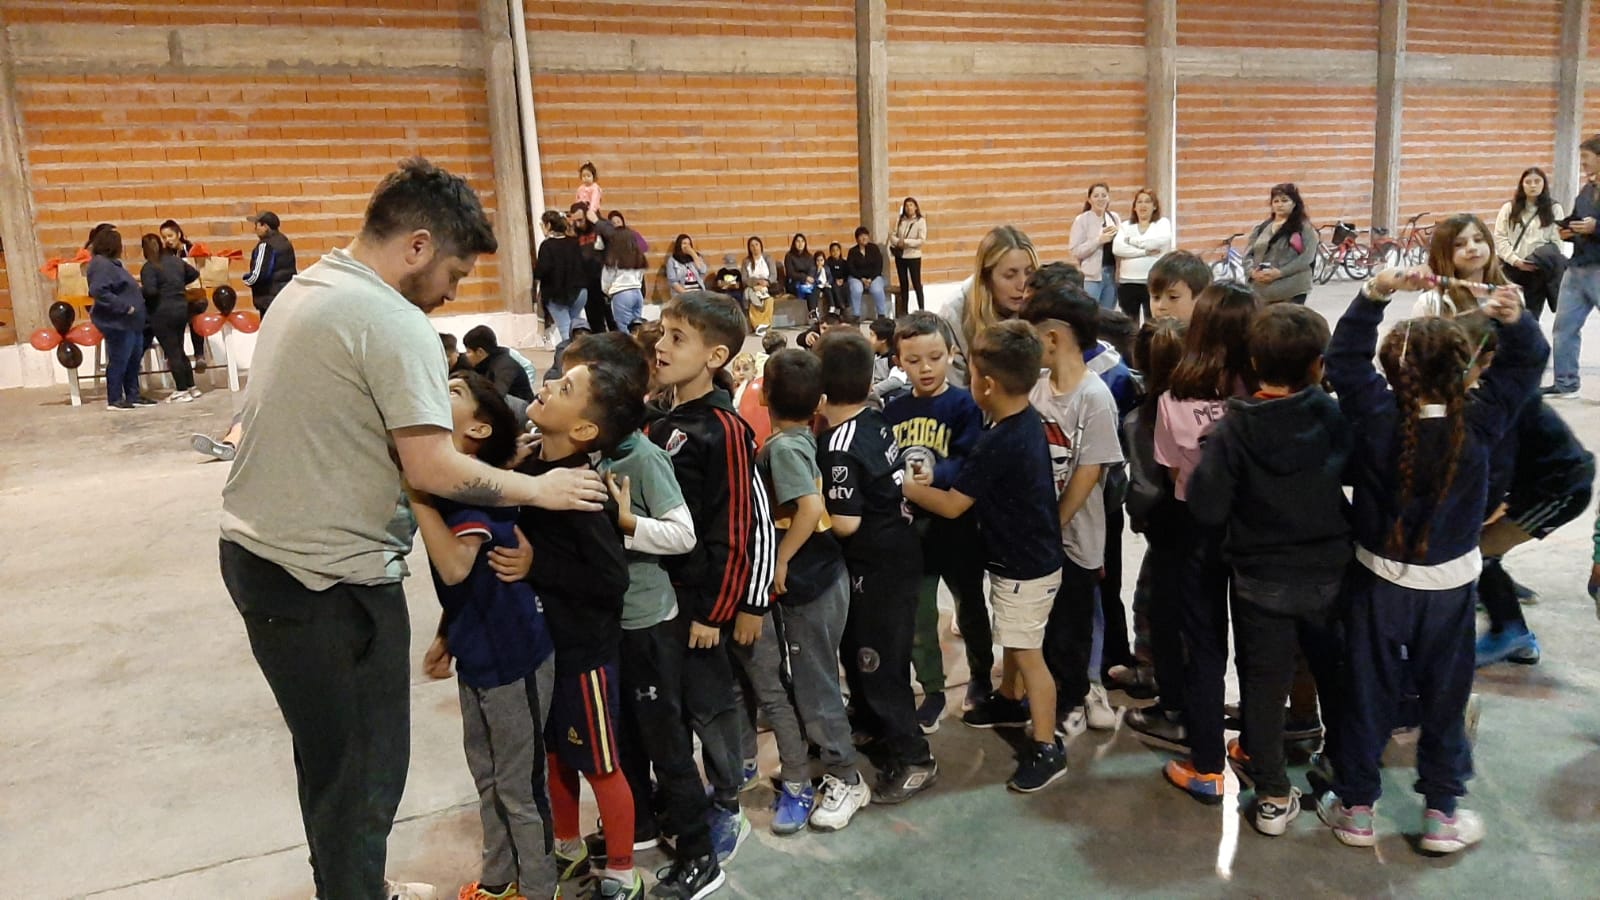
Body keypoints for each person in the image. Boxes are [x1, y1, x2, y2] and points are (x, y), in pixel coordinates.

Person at [218, 158, 607, 900]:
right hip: (321, 580)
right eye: (455, 273)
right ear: (419, 245)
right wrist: (540, 489)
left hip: (266, 560)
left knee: (331, 764)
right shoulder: (390, 321)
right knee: (363, 770)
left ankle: (353, 884)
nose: (452, 294)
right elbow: (432, 466)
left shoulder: (309, 287)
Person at [1319, 266, 1544, 855]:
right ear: (1466, 370)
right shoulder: (1483, 421)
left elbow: (1344, 360)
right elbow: (1525, 366)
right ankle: (1442, 815)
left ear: (1396, 370)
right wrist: (1516, 320)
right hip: (1450, 592)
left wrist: (1375, 293)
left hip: (1377, 585)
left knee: (1367, 694)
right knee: (1445, 702)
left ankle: (1356, 809)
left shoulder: (1376, 417)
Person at [555, 335, 715, 889]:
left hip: (648, 623)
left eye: (571, 384)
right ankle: (640, 825)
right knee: (624, 737)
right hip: (611, 625)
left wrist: (628, 525)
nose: (555, 389)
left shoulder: (644, 459)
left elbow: (682, 534)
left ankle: (699, 851)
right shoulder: (592, 453)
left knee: (666, 741)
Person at [1186, 304, 1351, 836]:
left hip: (1260, 579)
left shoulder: (1234, 429)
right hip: (1328, 571)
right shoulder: (1329, 414)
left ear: (1254, 362)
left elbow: (1207, 507)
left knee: (1263, 684)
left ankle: (1273, 797)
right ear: (1319, 365)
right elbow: (1356, 467)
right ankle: (1342, 771)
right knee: (1333, 675)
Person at [410, 372, 558, 900]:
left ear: (477, 429)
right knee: (488, 777)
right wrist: (447, 633)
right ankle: (499, 881)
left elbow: (455, 567)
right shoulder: (457, 489)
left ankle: (539, 887)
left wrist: (414, 491)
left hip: (514, 659)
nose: (438, 392)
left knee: (520, 786)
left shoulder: (473, 495)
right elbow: (469, 585)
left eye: (453, 392)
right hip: (477, 654)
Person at [904, 321, 1067, 792]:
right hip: (1024, 560)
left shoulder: (999, 441)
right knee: (1015, 639)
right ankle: (1009, 700)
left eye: (971, 374)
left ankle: (1046, 745)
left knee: (1029, 654)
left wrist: (909, 487)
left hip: (1025, 568)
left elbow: (954, 504)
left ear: (987, 385)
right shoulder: (1022, 420)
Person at [645, 290, 775, 874]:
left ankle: (727, 804)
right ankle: (684, 798)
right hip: (659, 598)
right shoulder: (662, 419)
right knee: (668, 705)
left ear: (716, 356)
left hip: (700, 604)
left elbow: (736, 527)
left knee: (711, 707)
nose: (661, 346)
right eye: (662, 333)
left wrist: (717, 611)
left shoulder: (723, 429)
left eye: (678, 338)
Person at [514, 358, 642, 900]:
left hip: (584, 654)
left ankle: (622, 872)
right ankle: (566, 844)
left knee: (601, 765)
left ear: (585, 430)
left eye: (565, 388)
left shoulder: (584, 491)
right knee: (555, 755)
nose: (547, 386)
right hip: (545, 647)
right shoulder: (529, 466)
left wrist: (535, 565)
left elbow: (612, 579)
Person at [747, 348, 871, 833]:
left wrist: (780, 558)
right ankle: (828, 755)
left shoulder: (782, 448)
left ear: (764, 395)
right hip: (824, 578)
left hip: (812, 583)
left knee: (817, 685)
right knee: (814, 680)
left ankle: (846, 776)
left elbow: (810, 507)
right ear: (819, 401)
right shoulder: (802, 438)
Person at [816, 330, 939, 803]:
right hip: (897, 555)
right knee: (861, 649)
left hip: (878, 567)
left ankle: (914, 758)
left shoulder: (838, 445)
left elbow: (846, 523)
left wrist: (808, 520)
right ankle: (871, 722)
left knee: (879, 661)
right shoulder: (874, 418)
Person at [1155, 284, 1260, 803]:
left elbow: (1171, 468)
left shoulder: (1173, 397)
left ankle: (1207, 765)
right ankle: (1257, 747)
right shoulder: (1266, 396)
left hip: (1195, 526)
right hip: (1257, 529)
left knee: (1205, 644)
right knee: (1259, 644)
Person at [1459, 313, 1595, 668]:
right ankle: (1497, 593)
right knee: (1479, 549)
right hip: (1538, 482)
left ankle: (1513, 633)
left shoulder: (1504, 400)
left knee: (1475, 552)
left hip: (1559, 490)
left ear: (1486, 358)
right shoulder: (1494, 387)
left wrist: (1475, 516)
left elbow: (1496, 473)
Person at [1020, 281, 1125, 736]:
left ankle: (1074, 699)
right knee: (1044, 624)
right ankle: (1052, 695)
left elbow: (1089, 470)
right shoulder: (1037, 389)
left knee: (1072, 625)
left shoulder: (1094, 396)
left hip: (1076, 539)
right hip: (1040, 536)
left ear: (1052, 337)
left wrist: (1055, 523)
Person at [883, 312, 988, 724]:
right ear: (898, 362)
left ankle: (981, 677)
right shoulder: (894, 410)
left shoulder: (965, 404)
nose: (925, 368)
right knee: (920, 617)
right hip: (914, 534)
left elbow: (971, 459)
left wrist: (937, 474)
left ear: (951, 354)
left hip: (958, 529)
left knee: (971, 608)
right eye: (913, 361)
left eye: (934, 357)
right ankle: (932, 688)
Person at [937, 225, 1039, 387]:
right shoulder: (953, 314)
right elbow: (958, 391)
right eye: (1010, 275)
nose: (1022, 285)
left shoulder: (1042, 303)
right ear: (986, 277)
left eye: (1029, 272)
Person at [1547, 134, 1600, 400]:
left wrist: (1596, 228)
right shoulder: (1588, 189)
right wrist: (1566, 229)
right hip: (1576, 267)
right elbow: (1577, 218)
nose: (1583, 164)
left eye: (1587, 158)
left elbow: (1592, 225)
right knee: (1564, 327)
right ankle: (1565, 383)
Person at [87, 227, 151, 411]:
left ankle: (133, 395)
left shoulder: (112, 264)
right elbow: (99, 291)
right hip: (118, 322)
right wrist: (125, 307)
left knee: (133, 360)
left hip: (131, 323)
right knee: (119, 360)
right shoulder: (101, 265)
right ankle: (115, 398)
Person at [1494, 167, 1567, 320]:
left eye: (1537, 181)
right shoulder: (1509, 208)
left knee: (1531, 316)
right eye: (1528, 182)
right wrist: (1515, 260)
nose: (1533, 185)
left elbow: (1557, 242)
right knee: (1508, 313)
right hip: (1512, 268)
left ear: (1544, 184)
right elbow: (1500, 238)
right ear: (1522, 185)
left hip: (1537, 270)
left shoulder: (1554, 209)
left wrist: (1541, 260)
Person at [138, 232, 202, 402]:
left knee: (172, 351)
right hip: (181, 308)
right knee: (179, 349)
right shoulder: (175, 261)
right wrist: (177, 284)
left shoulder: (149, 267)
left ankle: (181, 389)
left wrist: (139, 290)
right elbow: (194, 274)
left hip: (161, 312)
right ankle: (191, 386)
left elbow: (151, 291)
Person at [1412, 214, 1507, 318]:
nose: (1472, 247)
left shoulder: (1509, 294)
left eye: (1478, 240)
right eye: (1459, 244)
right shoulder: (1430, 303)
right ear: (1443, 254)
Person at [1242, 183, 1317, 304]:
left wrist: (1280, 273)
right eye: (1276, 201)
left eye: (1284, 200)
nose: (1280, 204)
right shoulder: (1262, 228)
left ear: (1294, 203)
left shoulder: (1304, 229)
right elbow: (1248, 254)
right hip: (1261, 292)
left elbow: (1307, 257)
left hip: (1292, 291)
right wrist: (1252, 272)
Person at [535, 209, 588, 371]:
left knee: (566, 332)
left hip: (557, 294)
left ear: (548, 225)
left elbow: (542, 270)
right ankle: (583, 361)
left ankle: (572, 367)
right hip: (580, 291)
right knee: (576, 328)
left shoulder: (547, 246)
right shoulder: (574, 242)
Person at [1113, 189, 1175, 323]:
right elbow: (1117, 248)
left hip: (1153, 281)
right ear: (1134, 207)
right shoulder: (1125, 226)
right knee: (1129, 323)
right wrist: (1144, 252)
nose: (1143, 205)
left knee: (1153, 322)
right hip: (1128, 282)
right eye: (1139, 202)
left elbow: (1158, 242)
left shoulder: (1162, 223)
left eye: (1147, 202)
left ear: (1155, 206)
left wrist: (1131, 241)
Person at [160, 218, 208, 371]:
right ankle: (175, 356)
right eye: (164, 237)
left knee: (194, 313)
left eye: (170, 236)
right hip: (177, 298)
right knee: (173, 316)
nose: (167, 240)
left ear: (178, 234)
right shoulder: (164, 256)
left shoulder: (192, 250)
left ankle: (199, 355)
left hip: (194, 296)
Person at [1070, 183, 1121, 309]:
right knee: (1090, 312)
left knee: (1108, 314)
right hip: (1091, 277)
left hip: (1112, 274)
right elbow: (1076, 250)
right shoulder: (1082, 220)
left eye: (1104, 195)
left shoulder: (1114, 218)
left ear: (1108, 198)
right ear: (1089, 199)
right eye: (1096, 196)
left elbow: (1121, 244)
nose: (1100, 199)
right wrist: (1098, 241)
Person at [598, 216, 649, 333]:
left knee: (623, 328)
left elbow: (606, 280)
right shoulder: (637, 256)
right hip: (637, 293)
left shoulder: (613, 258)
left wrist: (607, 292)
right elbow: (640, 276)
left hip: (621, 294)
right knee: (636, 327)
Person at [569, 203, 614, 334]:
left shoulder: (599, 226)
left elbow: (614, 236)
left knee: (613, 320)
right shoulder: (575, 233)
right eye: (575, 221)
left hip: (605, 280)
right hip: (587, 282)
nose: (578, 224)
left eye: (580, 220)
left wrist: (596, 221)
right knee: (595, 322)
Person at [242, 210, 297, 316]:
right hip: (286, 296)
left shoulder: (265, 246)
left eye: (257, 225)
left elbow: (259, 274)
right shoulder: (284, 241)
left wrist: (247, 280)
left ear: (265, 226)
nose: (255, 229)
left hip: (269, 300)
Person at [463, 324, 535, 402]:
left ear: (480, 352)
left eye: (468, 352)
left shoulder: (504, 366)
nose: (466, 355)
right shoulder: (485, 362)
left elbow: (498, 397)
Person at [892, 197, 928, 311]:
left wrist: (906, 242)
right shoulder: (900, 220)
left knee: (916, 283)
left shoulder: (920, 221)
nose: (909, 208)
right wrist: (898, 242)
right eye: (906, 206)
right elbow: (892, 234)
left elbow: (921, 240)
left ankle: (921, 309)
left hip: (913, 256)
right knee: (903, 284)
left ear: (916, 207)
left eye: (911, 205)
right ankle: (904, 310)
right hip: (901, 256)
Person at [846, 226, 889, 320]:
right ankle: (856, 314)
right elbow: (851, 268)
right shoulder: (852, 251)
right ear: (857, 239)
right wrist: (862, 279)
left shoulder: (874, 248)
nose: (864, 238)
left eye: (866, 235)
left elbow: (879, 266)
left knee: (877, 289)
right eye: (861, 236)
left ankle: (881, 314)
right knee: (857, 289)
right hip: (857, 277)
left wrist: (870, 279)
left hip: (874, 276)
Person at [741, 236, 777, 334]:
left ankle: (766, 324)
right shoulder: (746, 261)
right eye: (752, 246)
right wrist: (756, 282)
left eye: (756, 245)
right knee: (753, 301)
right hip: (753, 288)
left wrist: (767, 282)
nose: (755, 247)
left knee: (769, 301)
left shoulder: (768, 258)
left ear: (760, 246)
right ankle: (757, 326)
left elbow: (774, 275)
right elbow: (744, 279)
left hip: (767, 287)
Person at [784, 233, 820, 320]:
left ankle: (812, 311)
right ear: (794, 243)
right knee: (807, 289)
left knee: (815, 288)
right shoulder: (789, 256)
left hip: (807, 282)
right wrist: (804, 278)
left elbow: (812, 270)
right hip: (794, 283)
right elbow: (790, 273)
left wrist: (809, 278)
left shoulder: (809, 256)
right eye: (798, 241)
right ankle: (813, 311)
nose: (800, 244)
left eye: (802, 241)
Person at [824, 242, 849, 319]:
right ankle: (841, 306)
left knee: (846, 286)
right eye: (833, 250)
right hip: (832, 282)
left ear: (840, 251)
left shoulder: (844, 262)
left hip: (843, 281)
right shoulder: (827, 263)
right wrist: (835, 280)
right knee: (835, 287)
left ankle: (846, 306)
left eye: (837, 250)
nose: (835, 252)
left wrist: (843, 279)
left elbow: (847, 273)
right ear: (830, 252)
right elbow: (828, 274)